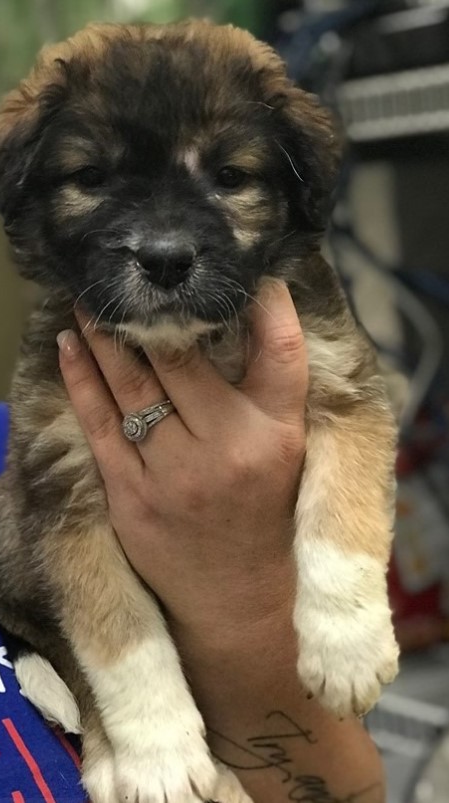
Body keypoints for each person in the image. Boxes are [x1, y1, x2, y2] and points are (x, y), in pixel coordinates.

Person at [57, 281, 386, 803]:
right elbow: (55, 545)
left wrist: (338, 597)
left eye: (229, 189)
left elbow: (356, 791)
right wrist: (142, 719)